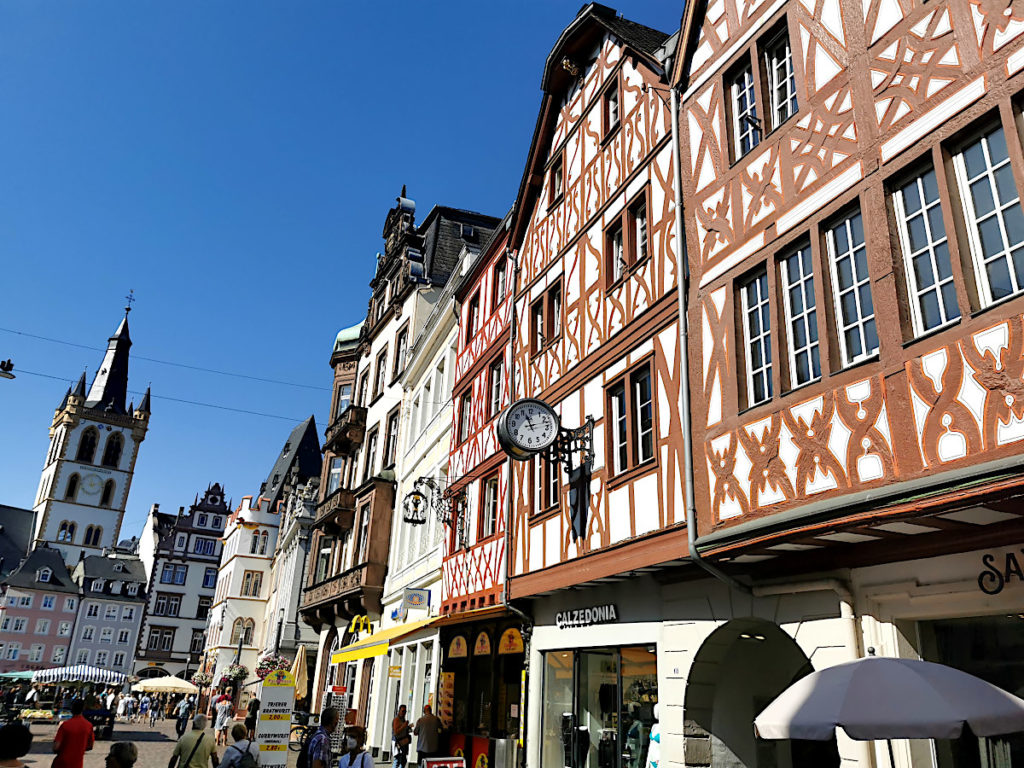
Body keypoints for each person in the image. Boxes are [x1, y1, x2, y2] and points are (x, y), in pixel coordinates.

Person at [52, 699, 95, 768]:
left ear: (72, 709)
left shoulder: (65, 725)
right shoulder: (88, 726)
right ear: (83, 709)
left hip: (62, 763)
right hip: (77, 763)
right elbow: (90, 746)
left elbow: (56, 747)